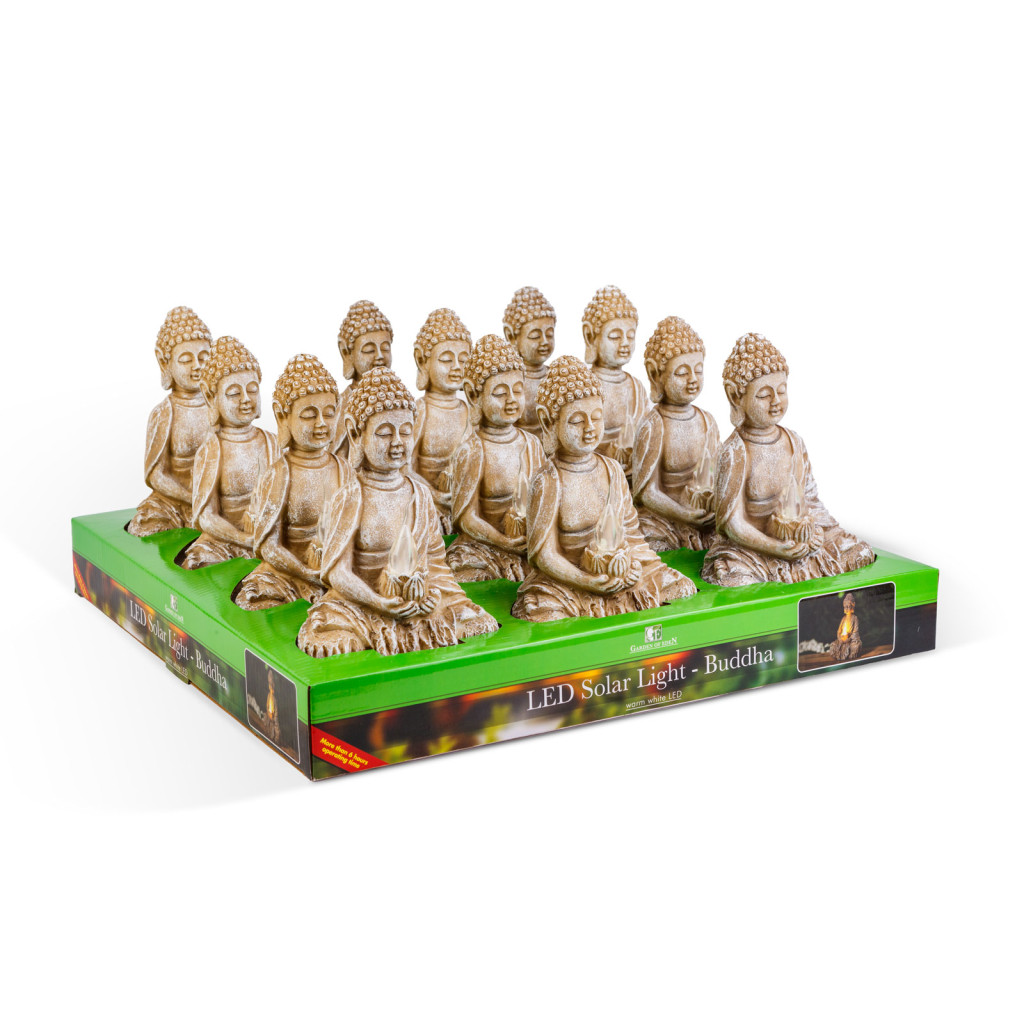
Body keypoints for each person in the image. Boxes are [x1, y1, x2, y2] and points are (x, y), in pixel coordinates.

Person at [297, 368, 499, 657]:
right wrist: (379, 602)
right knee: (329, 632)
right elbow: (338, 573)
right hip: (361, 602)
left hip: (414, 599)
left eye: (405, 432)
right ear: (355, 433)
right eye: (384, 433)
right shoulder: (350, 496)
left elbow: (435, 562)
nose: (397, 442)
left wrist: (432, 594)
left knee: (474, 619)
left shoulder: (420, 494)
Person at [510, 356, 696, 622]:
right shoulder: (548, 480)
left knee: (680, 586)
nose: (589, 429)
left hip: (615, 570)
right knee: (541, 610)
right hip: (568, 580)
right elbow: (543, 555)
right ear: (549, 421)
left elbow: (631, 535)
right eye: (576, 421)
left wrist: (632, 566)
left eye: (596, 418)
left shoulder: (612, 470)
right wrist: (585, 580)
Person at [701, 333, 874, 586]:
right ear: (736, 397)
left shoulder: (794, 442)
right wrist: (774, 548)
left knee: (859, 552)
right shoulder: (734, 452)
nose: (775, 401)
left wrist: (814, 531)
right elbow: (731, 524)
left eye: (781, 391)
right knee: (735, 579)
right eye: (763, 395)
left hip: (796, 540)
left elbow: (810, 500)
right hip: (751, 549)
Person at [234, 355, 353, 609]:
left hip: (332, 571)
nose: (321, 423)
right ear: (282, 416)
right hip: (287, 574)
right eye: (309, 415)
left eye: (329, 413)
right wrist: (306, 572)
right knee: (253, 598)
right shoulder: (279, 474)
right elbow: (268, 547)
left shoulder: (344, 469)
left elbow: (354, 531)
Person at [446, 335, 546, 582]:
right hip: (485, 544)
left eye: (518, 390)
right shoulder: (473, 450)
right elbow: (465, 517)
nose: (511, 399)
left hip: (526, 540)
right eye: (500, 393)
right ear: (474, 395)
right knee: (464, 570)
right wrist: (502, 541)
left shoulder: (532, 444)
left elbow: (545, 498)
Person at [181, 337, 279, 568]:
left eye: (252, 390)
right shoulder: (212, 449)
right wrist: (244, 539)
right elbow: (206, 517)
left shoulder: (271, 442)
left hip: (266, 537)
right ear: (211, 397)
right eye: (234, 393)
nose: (246, 399)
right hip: (224, 541)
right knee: (199, 560)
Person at [633, 316, 720, 551]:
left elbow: (716, 474)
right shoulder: (653, 425)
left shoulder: (707, 421)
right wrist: (683, 515)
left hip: (703, 514)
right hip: (663, 518)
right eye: (681, 373)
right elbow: (646, 492)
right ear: (656, 374)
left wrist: (713, 505)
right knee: (650, 546)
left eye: (698, 370)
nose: (692, 379)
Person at [128, 306, 214, 536]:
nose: (197, 366)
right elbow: (155, 475)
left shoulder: (219, 408)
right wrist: (191, 498)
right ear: (165, 362)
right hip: (172, 501)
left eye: (203, 358)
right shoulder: (164, 413)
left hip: (214, 500)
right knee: (147, 524)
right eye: (186, 360)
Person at [581, 285, 653, 482]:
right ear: (590, 336)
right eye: (614, 336)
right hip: (593, 478)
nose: (625, 343)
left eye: (630, 336)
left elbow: (648, 436)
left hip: (632, 477)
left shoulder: (636, 387)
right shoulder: (583, 387)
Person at [410, 307, 473, 533]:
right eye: (446, 359)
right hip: (427, 504)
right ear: (422, 360)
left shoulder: (469, 411)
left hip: (463, 506)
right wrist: (434, 496)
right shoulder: (420, 410)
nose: (456, 367)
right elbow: (403, 467)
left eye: (463, 360)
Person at [332, 299, 393, 461]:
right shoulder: (345, 404)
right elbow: (337, 456)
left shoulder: (397, 398)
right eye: (369, 350)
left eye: (385, 348)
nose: (379, 356)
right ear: (347, 352)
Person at [502, 285, 556, 437]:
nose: (544, 341)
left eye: (549, 334)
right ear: (511, 336)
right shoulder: (509, 380)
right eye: (535, 336)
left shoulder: (555, 376)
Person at [829, 593, 863, 661]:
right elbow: (839, 631)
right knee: (833, 645)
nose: (846, 609)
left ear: (852, 607)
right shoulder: (843, 618)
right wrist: (839, 638)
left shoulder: (855, 618)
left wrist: (849, 639)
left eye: (848, 607)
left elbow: (855, 632)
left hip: (851, 640)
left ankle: (848, 654)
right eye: (845, 607)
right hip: (842, 640)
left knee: (856, 646)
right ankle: (840, 653)